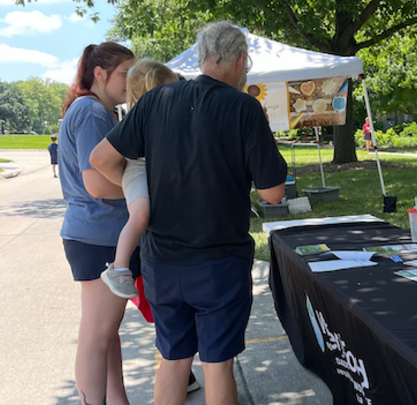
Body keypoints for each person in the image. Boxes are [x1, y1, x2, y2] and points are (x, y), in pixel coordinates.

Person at [90, 21, 287, 405]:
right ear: (241, 60)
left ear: (201, 58)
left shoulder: (154, 100)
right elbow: (273, 192)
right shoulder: (244, 107)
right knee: (216, 365)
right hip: (219, 261)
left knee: (173, 360)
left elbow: (100, 158)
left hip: (162, 263)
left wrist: (139, 190)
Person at [58, 42, 136, 405]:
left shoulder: (95, 110)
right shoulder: (91, 112)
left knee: (106, 333)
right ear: (100, 74)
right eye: (125, 73)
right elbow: (96, 183)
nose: (130, 81)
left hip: (93, 234)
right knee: (95, 336)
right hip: (99, 236)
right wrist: (141, 192)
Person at [98, 59, 178, 299]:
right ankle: (119, 268)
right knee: (141, 213)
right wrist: (125, 184)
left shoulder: (172, 116)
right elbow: (100, 159)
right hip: (138, 169)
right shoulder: (139, 118)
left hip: (154, 170)